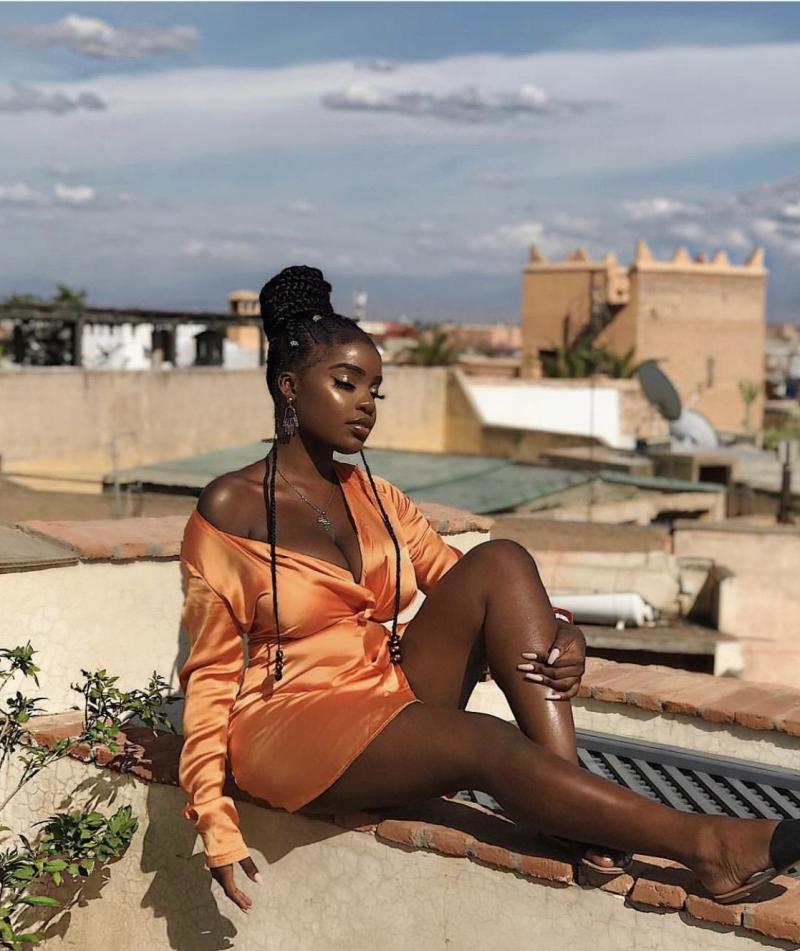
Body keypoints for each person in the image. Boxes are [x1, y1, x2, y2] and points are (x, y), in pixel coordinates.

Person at [178, 265, 799, 914]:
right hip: (290, 724)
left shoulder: (377, 496)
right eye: (346, 383)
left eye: (375, 391)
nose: (366, 404)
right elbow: (210, 672)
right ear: (289, 386)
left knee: (501, 559)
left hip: (380, 688)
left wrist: (561, 629)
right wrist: (213, 818)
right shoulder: (232, 506)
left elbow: (472, 585)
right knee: (485, 741)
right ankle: (708, 844)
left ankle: (574, 813)